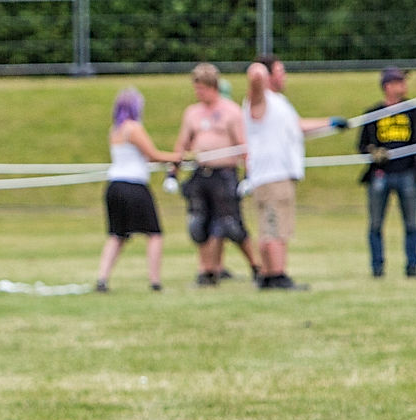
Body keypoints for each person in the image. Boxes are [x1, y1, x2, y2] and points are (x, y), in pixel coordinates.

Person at [242, 55, 348, 290]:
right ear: (269, 76)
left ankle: (268, 275)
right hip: (272, 175)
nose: (285, 76)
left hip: (278, 175)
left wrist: (330, 124)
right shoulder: (259, 100)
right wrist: (260, 71)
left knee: (272, 226)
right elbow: (255, 74)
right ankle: (277, 275)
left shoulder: (279, 102)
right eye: (280, 71)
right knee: (275, 227)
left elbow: (297, 127)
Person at [171, 63, 262, 287]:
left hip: (224, 174)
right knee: (200, 224)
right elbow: (182, 144)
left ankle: (256, 266)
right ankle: (207, 271)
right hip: (201, 173)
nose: (198, 93)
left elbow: (243, 145)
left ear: (212, 86)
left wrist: (248, 175)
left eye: (201, 88)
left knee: (232, 225)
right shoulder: (192, 113)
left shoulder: (231, 111)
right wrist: (172, 172)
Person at [95, 87, 180, 293]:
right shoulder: (133, 128)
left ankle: (102, 278)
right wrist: (178, 157)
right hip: (133, 185)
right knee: (154, 233)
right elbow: (152, 155)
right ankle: (155, 281)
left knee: (117, 234)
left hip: (114, 185)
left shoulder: (115, 130)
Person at [357, 67, 416, 278]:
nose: (404, 85)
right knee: (375, 224)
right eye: (399, 81)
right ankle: (377, 268)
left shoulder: (413, 112)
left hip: (408, 174)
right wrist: (373, 152)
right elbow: (362, 146)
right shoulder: (373, 113)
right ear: (387, 86)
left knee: (411, 224)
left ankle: (412, 266)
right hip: (380, 176)